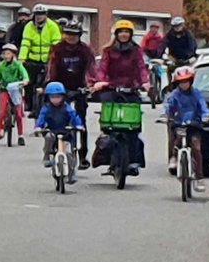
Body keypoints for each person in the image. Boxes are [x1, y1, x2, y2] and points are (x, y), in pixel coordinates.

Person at [88, 19, 150, 175]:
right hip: (112, 87)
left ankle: (134, 160)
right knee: (109, 123)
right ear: (116, 34)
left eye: (127, 32)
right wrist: (101, 81)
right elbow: (102, 67)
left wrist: (145, 82)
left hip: (130, 88)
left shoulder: (136, 50)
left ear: (130, 35)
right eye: (121, 32)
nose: (124, 34)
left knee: (133, 126)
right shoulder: (108, 50)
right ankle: (106, 154)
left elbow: (141, 67)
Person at [45, 21, 95, 169]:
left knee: (81, 121)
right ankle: (53, 147)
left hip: (79, 87)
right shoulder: (57, 49)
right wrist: (51, 85)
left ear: (79, 35)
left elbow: (91, 68)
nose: (71, 37)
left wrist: (90, 84)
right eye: (68, 34)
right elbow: (51, 68)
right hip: (60, 88)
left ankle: (83, 155)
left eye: (74, 34)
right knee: (56, 118)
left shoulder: (85, 50)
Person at [164, 65, 209, 192]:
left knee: (196, 147)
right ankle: (174, 157)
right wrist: (167, 115)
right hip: (179, 123)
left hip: (194, 125)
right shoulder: (174, 95)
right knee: (177, 138)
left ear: (191, 81)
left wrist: (206, 115)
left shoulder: (196, 94)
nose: (184, 84)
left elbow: (203, 106)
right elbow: (168, 106)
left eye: (187, 81)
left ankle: (199, 177)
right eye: (181, 82)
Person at [35, 81, 84, 183]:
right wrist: (38, 127)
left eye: (58, 97)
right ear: (48, 98)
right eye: (52, 97)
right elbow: (41, 118)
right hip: (52, 131)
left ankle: (71, 174)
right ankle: (47, 155)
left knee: (70, 154)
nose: (55, 99)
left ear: (63, 97)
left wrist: (78, 125)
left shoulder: (67, 108)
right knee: (48, 137)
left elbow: (74, 116)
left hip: (66, 133)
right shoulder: (46, 108)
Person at [19, 5, 61, 118]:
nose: (39, 17)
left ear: (46, 15)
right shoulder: (29, 26)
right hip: (32, 59)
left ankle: (43, 107)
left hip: (47, 60)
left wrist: (55, 59)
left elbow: (56, 45)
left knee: (44, 84)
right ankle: (30, 106)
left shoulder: (52, 26)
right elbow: (25, 43)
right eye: (37, 14)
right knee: (28, 83)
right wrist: (21, 59)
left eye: (41, 14)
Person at [0, 44, 29, 146]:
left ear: (13, 55)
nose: (6, 56)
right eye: (4, 54)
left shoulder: (18, 65)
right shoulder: (1, 65)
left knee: (19, 113)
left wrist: (24, 81)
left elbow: (25, 75)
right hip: (4, 89)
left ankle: (21, 135)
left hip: (16, 90)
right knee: (2, 112)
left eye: (8, 53)